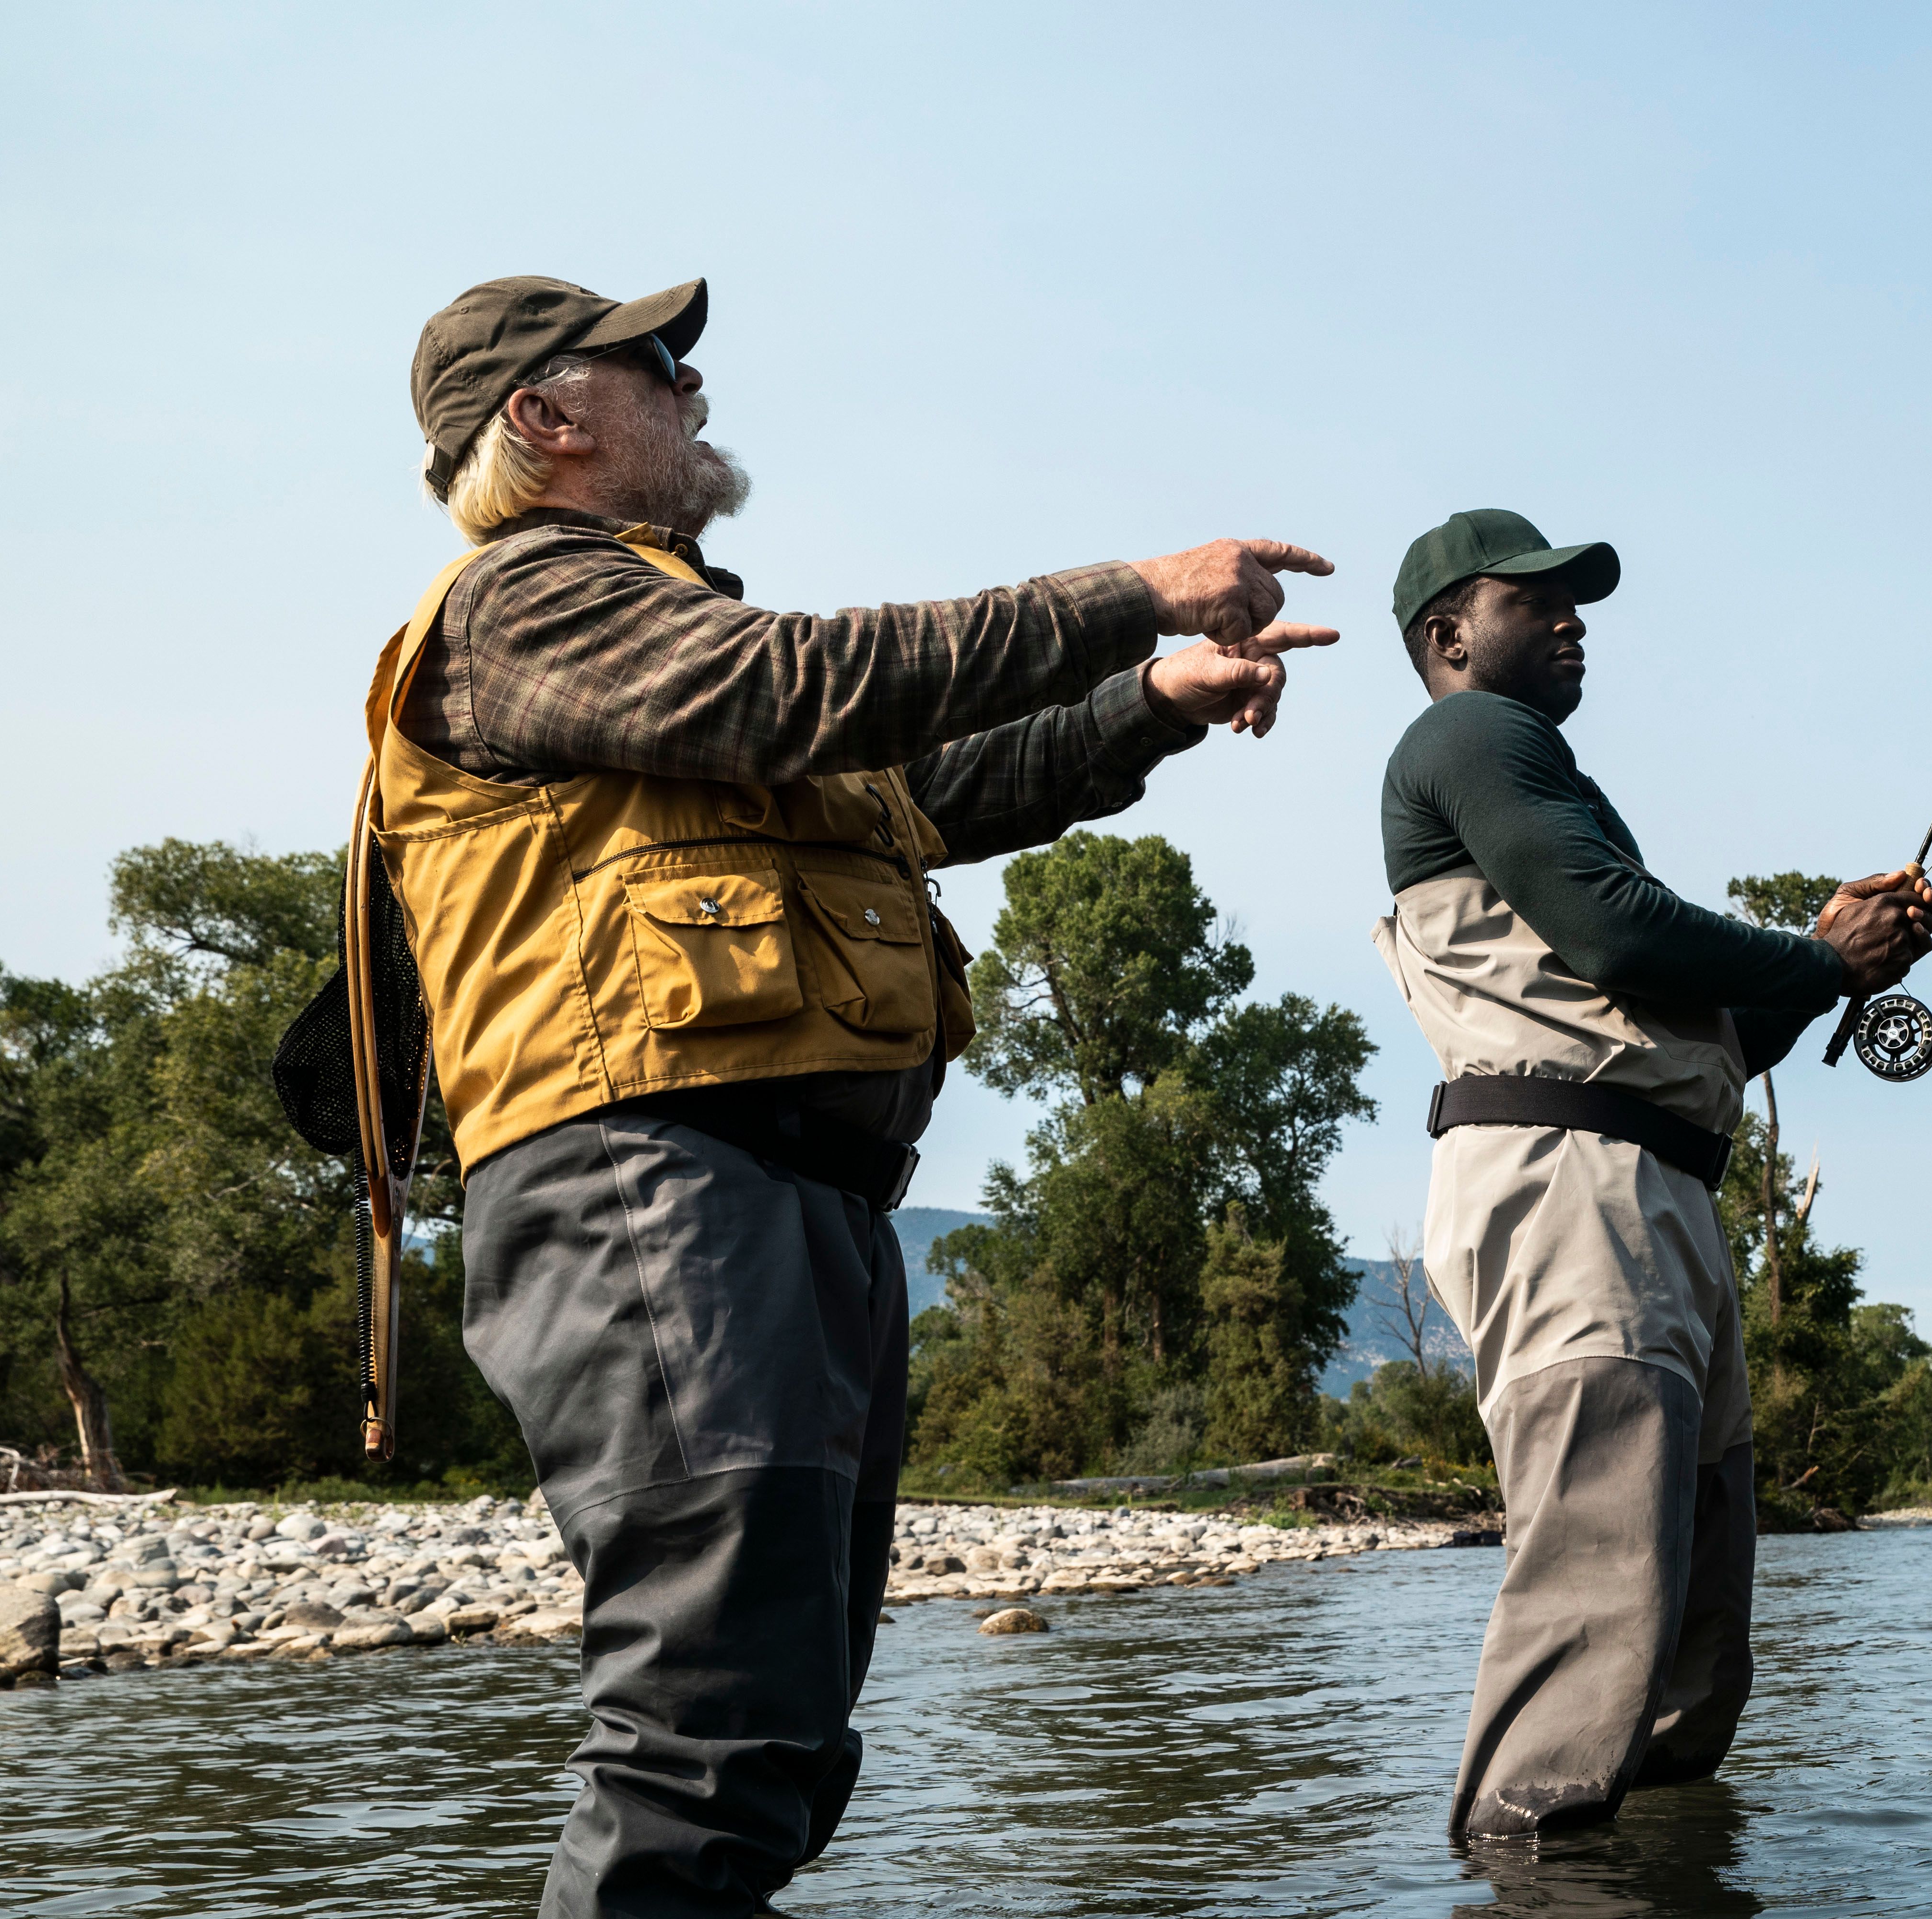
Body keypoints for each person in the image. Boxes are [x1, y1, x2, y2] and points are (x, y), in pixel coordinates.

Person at [387, 273, 1337, 1915]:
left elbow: (934, 786)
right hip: (650, 1184)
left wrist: (1148, 704)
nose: (695, 386)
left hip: (780, 1206)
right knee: (710, 1725)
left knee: (785, 1735)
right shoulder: (531, 601)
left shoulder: (670, 653)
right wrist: (1137, 594)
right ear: (541, 420)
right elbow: (813, 687)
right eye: (656, 364)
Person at [1372, 509, 1932, 1837]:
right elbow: (1619, 937)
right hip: (1571, 1191)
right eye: (1539, 601)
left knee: (1692, 1633)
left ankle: (1666, 1868)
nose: (1574, 619)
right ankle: (1537, 1871)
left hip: (1655, 1198)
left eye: (1579, 602)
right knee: (1598, 1604)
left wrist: (1829, 966)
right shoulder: (1469, 737)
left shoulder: (1541, 782)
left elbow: (1712, 1037)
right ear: (1450, 638)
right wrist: (1819, 961)